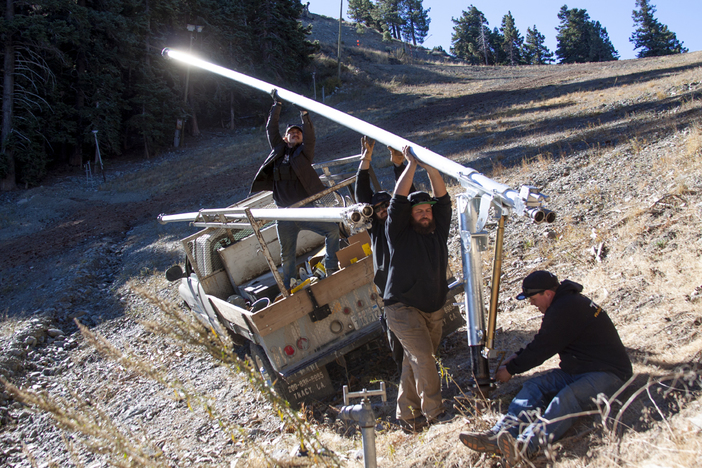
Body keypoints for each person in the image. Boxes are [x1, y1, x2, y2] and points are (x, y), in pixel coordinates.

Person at [459, 270, 632, 467]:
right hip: (578, 371)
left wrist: (511, 369)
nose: (532, 304)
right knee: (535, 386)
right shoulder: (565, 304)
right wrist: (518, 356)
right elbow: (546, 339)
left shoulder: (565, 308)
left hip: (609, 374)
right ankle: (499, 434)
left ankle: (525, 447)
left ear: (547, 293)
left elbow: (543, 349)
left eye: (533, 298)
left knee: (567, 398)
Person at [383, 145, 453, 432]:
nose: (425, 214)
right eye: (419, 211)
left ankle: (408, 417)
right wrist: (411, 164)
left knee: (417, 361)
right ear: (409, 216)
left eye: (427, 211)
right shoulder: (398, 233)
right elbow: (398, 200)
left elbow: (444, 199)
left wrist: (432, 168)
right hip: (402, 306)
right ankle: (436, 414)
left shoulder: (438, 229)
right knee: (424, 358)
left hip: (432, 307)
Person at [249, 90, 340, 289]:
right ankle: (290, 286)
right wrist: (277, 104)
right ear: (285, 137)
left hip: (306, 209)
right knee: (287, 255)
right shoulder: (278, 151)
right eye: (291, 132)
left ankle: (331, 266)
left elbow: (311, 138)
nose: (295, 134)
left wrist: (304, 115)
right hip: (284, 214)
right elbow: (271, 128)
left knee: (333, 230)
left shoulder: (304, 154)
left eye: (298, 133)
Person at [354, 137, 416, 374]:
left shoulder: (402, 220)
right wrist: (365, 159)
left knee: (422, 337)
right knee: (398, 343)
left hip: (413, 287)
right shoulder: (376, 228)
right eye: (378, 208)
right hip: (391, 294)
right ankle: (405, 376)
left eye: (386, 206)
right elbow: (361, 195)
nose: (382, 210)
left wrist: (399, 165)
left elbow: (407, 192)